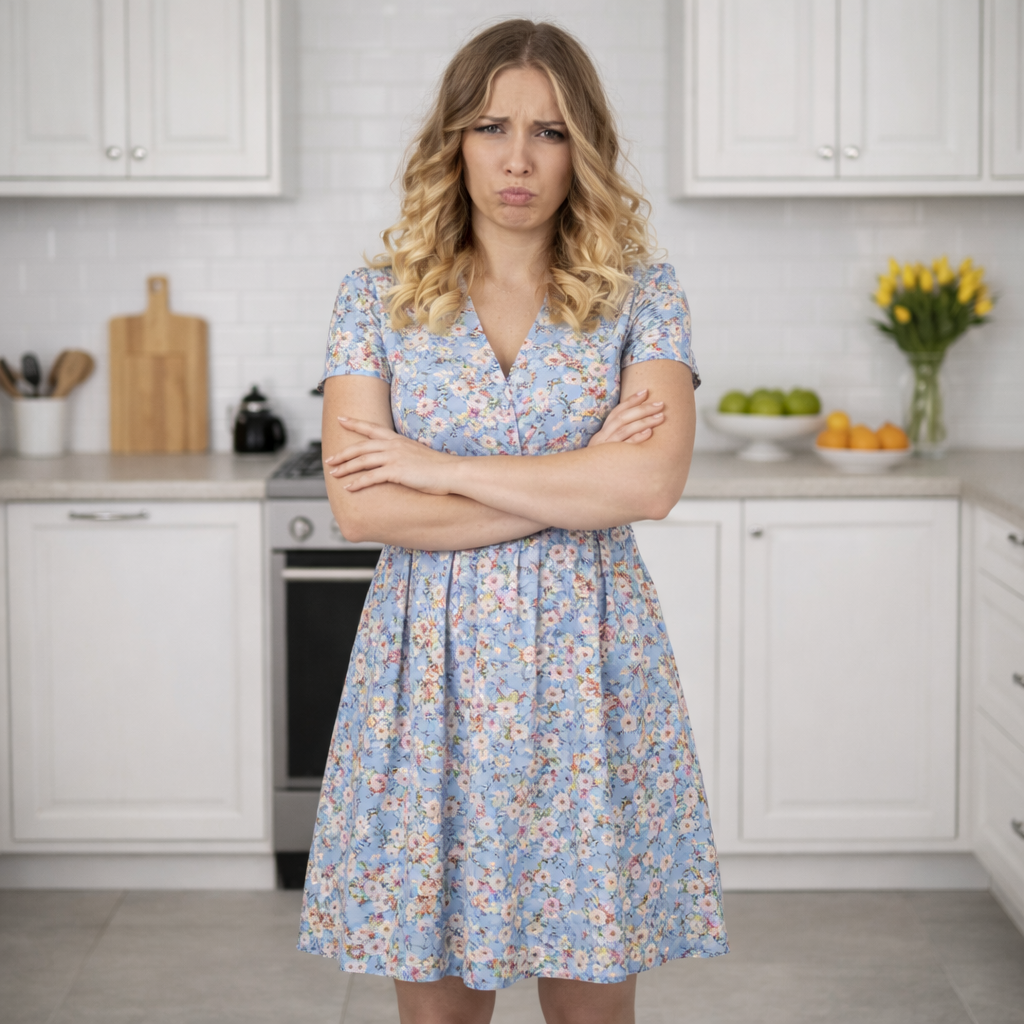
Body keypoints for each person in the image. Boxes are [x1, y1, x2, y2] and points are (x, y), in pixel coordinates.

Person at [298, 19, 728, 1024]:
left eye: (550, 131)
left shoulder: (643, 298)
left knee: (590, 1007)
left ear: (585, 148)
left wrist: (438, 469)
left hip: (590, 674)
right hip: (427, 677)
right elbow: (363, 504)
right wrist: (574, 481)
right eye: (492, 127)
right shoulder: (373, 302)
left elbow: (648, 486)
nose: (519, 159)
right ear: (454, 138)